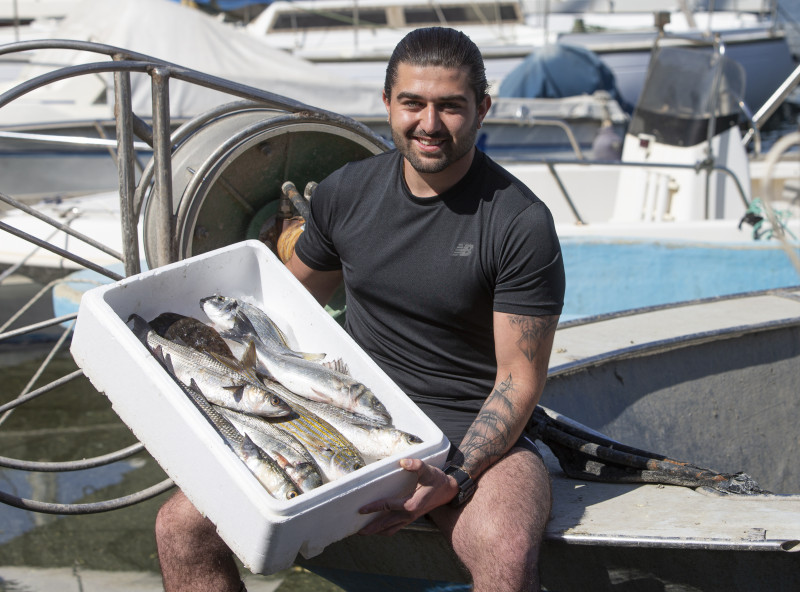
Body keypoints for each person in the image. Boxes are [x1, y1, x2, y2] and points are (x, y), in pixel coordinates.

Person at [155, 26, 565, 592]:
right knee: (181, 527)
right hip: (335, 417)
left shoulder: (519, 222)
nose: (428, 123)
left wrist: (455, 474)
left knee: (503, 547)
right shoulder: (346, 193)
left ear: (482, 109)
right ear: (386, 104)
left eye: (450, 106)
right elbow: (283, 304)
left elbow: (519, 381)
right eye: (412, 103)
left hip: (469, 431)